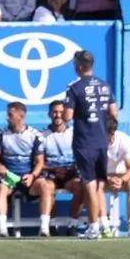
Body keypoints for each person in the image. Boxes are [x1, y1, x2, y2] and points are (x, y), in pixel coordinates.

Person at [64, 50, 119, 239]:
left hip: (84, 141)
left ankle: (94, 225)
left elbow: (67, 116)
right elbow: (114, 113)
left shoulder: (74, 87)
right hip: (101, 141)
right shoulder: (104, 86)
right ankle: (103, 224)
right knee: (99, 185)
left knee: (89, 183)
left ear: (79, 66)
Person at [0, 102, 51, 237]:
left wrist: (32, 175)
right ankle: (2, 229)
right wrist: (0, 167)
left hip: (28, 177)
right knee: (1, 187)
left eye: (10, 115)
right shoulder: (1, 135)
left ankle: (45, 227)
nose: (7, 118)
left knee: (44, 186)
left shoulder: (35, 135)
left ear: (21, 116)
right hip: (9, 176)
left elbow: (40, 162)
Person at [42, 101, 83, 235]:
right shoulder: (42, 135)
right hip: (51, 174)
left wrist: (71, 168)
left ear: (66, 114)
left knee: (80, 187)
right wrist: (52, 169)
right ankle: (52, 225)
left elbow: (82, 157)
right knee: (47, 187)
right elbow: (38, 162)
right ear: (49, 114)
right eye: (54, 112)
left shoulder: (76, 133)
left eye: (60, 112)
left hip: (71, 173)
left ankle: (72, 224)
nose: (57, 115)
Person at [104, 116, 130, 236]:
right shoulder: (94, 141)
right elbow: (92, 168)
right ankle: (101, 222)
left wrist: (121, 180)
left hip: (122, 175)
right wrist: (107, 178)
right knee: (91, 184)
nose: (107, 138)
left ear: (113, 132)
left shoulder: (125, 140)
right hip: (102, 176)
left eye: (110, 134)